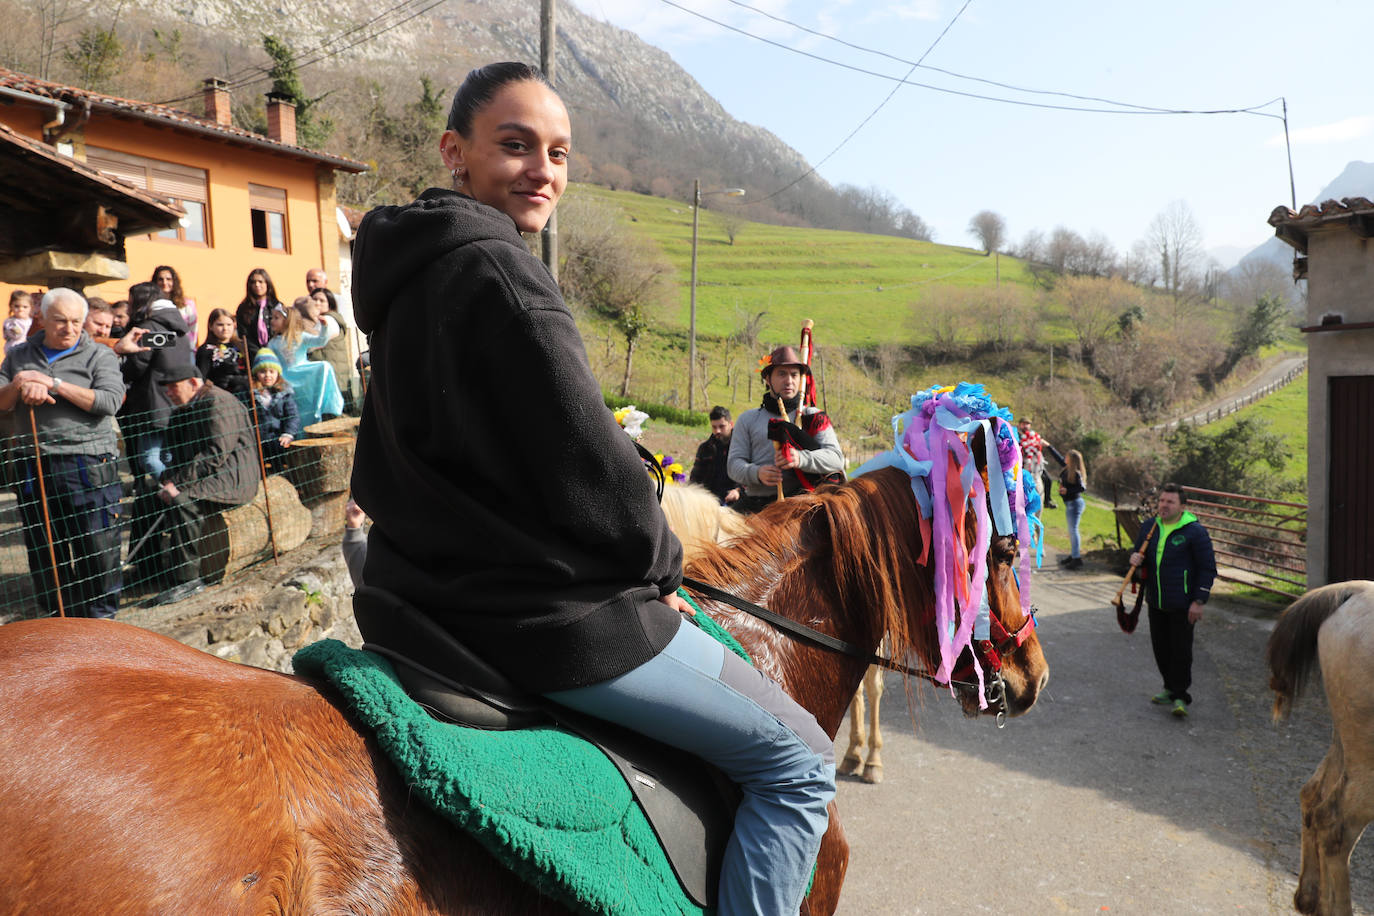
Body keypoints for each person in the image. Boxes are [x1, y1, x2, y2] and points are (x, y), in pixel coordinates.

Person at [349, 61, 834, 916]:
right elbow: (597, 478)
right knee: (799, 763)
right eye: (515, 145)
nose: (543, 169)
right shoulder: (506, 275)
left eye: (560, 153)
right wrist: (661, 572)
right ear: (454, 151)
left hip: (421, 604)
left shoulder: (403, 278)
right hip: (542, 621)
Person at [0, 288, 143, 618]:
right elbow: (2, 401)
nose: (69, 328)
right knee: (45, 546)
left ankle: (101, 620)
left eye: (77, 321)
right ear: (43, 319)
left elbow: (108, 402)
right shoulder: (20, 355)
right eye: (60, 321)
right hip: (31, 460)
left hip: (86, 460)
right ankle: (60, 619)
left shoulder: (99, 356)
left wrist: (53, 384)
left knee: (96, 543)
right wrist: (20, 382)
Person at [148, 363, 258, 605]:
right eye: (166, 390)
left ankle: (188, 580)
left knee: (182, 501)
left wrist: (177, 484)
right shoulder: (188, 407)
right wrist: (168, 479)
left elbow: (215, 453)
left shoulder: (218, 401)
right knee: (149, 494)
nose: (169, 394)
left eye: (173, 388)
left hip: (232, 477)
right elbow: (178, 452)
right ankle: (148, 569)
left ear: (194, 383)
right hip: (210, 474)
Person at [1128, 483, 1217, 718]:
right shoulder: (1150, 527)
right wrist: (1135, 558)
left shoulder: (1194, 532)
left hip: (1183, 603)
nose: (1164, 505)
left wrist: (1199, 600)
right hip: (1156, 600)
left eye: (1170, 502)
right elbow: (1140, 557)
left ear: (1182, 506)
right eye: (1162, 501)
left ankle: (1180, 696)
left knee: (1181, 650)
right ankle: (1168, 688)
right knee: (1161, 648)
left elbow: (1207, 568)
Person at [727, 345, 845, 515]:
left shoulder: (813, 417)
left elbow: (836, 459)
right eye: (782, 374)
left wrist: (800, 459)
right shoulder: (748, 419)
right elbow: (733, 465)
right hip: (755, 507)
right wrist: (757, 473)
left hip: (801, 509)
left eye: (794, 374)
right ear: (768, 379)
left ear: (800, 379)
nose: (789, 380)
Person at [118, 281, 194, 481]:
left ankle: (174, 491)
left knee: (150, 459)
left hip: (153, 402)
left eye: (131, 301)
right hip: (176, 400)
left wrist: (118, 368)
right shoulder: (179, 329)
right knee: (168, 456)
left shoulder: (149, 329)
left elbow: (138, 364)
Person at [268, 300, 343, 427]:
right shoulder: (273, 343)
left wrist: (324, 327)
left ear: (287, 321)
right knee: (298, 407)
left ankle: (328, 409)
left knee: (324, 367)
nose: (272, 321)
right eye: (272, 318)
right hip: (286, 377)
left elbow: (320, 341)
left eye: (276, 318)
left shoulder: (300, 336)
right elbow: (270, 360)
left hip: (302, 373)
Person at [307, 287, 358, 413]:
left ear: (330, 304)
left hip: (333, 376)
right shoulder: (321, 320)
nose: (317, 303)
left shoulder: (329, 320)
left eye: (321, 300)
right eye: (314, 300)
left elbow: (310, 344)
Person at [249, 348, 299, 468]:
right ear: (256, 373)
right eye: (263, 372)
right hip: (256, 440)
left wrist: (288, 434)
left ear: (277, 373)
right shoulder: (250, 394)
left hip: (278, 438)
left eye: (272, 371)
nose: (268, 376)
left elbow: (292, 416)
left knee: (280, 458)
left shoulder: (284, 393)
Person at [689, 405, 740, 505]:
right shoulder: (705, 448)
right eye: (714, 427)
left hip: (735, 499)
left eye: (722, 426)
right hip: (709, 500)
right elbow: (695, 478)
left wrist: (738, 491)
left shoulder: (741, 447)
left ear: (731, 424)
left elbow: (749, 477)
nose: (718, 431)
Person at [195, 307, 250, 398]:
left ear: (234, 325)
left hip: (244, 394)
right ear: (211, 326)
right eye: (220, 325)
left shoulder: (242, 346)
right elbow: (202, 378)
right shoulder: (206, 350)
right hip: (219, 397)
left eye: (229, 324)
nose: (225, 328)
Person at [1016, 417, 1064, 509]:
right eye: (1023, 423)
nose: (1025, 426)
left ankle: (1047, 500)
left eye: (1027, 424)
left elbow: (1040, 445)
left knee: (1048, 480)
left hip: (1035, 464)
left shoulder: (1033, 436)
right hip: (1022, 463)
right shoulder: (1017, 435)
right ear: (1019, 424)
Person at [235, 268, 283, 353]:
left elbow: (283, 331)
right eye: (253, 282)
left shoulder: (277, 306)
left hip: (277, 353)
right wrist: (259, 353)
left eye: (260, 282)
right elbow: (244, 336)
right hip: (254, 355)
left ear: (267, 283)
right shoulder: (244, 308)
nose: (257, 285)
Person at [152, 265, 198, 348]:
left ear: (174, 282)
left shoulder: (187, 304)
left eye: (168, 279)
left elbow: (193, 330)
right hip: (160, 349)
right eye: (160, 279)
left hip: (184, 349)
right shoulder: (151, 304)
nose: (164, 283)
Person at [1058, 449, 1088, 570]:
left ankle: (1076, 558)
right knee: (1071, 531)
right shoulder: (1067, 469)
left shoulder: (1076, 473)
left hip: (1075, 504)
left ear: (1072, 459)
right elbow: (1058, 458)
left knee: (1073, 530)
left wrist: (1067, 491)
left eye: (1067, 456)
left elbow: (1082, 488)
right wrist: (1049, 447)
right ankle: (1073, 555)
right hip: (1070, 504)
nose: (1064, 458)